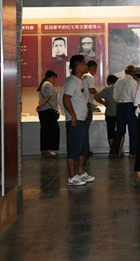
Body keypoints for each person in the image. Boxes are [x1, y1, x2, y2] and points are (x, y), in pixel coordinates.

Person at [62, 55, 95, 186]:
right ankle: (71, 176)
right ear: (78, 66)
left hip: (82, 119)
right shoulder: (72, 82)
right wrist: (73, 116)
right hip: (75, 121)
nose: (86, 66)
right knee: (74, 148)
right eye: (84, 64)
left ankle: (81, 173)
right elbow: (66, 99)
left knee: (83, 148)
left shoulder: (81, 81)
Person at [110, 65, 140, 158]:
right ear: (133, 73)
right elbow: (134, 96)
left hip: (120, 106)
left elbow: (114, 96)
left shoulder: (119, 81)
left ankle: (114, 152)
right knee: (133, 130)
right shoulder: (133, 82)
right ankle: (133, 152)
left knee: (119, 130)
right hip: (130, 106)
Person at [36, 70, 60, 157]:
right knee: (52, 131)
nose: (54, 81)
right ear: (52, 77)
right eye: (54, 78)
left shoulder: (44, 84)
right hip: (48, 111)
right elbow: (49, 96)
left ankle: (44, 149)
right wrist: (41, 106)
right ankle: (50, 149)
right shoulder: (48, 84)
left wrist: (40, 106)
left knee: (45, 131)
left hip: (44, 111)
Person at [95, 74, 118, 153]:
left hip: (109, 114)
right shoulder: (119, 88)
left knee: (110, 133)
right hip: (119, 114)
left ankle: (112, 150)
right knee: (120, 132)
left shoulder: (106, 89)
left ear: (108, 82)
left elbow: (96, 97)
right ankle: (119, 150)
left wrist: (104, 103)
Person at [83, 60, 99, 156]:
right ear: (93, 68)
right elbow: (91, 90)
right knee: (85, 128)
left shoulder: (83, 77)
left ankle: (83, 149)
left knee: (83, 128)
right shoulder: (90, 77)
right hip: (87, 104)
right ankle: (85, 150)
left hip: (82, 104)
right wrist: (99, 95)